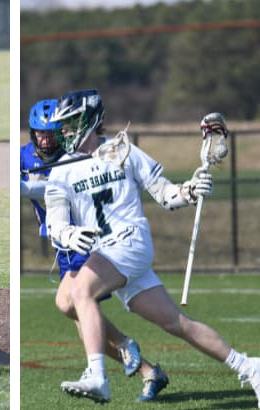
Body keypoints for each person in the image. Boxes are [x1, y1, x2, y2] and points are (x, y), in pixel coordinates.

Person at [44, 89, 260, 404]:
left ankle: (97, 376)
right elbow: (55, 223)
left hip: (129, 241)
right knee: (176, 323)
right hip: (107, 254)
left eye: (71, 122)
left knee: (80, 292)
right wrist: (68, 235)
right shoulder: (60, 171)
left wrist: (189, 190)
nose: (64, 131)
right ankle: (250, 366)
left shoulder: (124, 152)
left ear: (90, 120)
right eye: (61, 125)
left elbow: (166, 195)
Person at [21, 98, 169, 402]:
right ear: (32, 132)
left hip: (88, 237)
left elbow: (46, 187)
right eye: (40, 133)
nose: (47, 139)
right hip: (64, 242)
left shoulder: (74, 153)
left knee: (72, 301)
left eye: (52, 132)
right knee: (77, 311)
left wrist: (23, 187)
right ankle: (146, 369)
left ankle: (122, 356)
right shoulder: (23, 156)